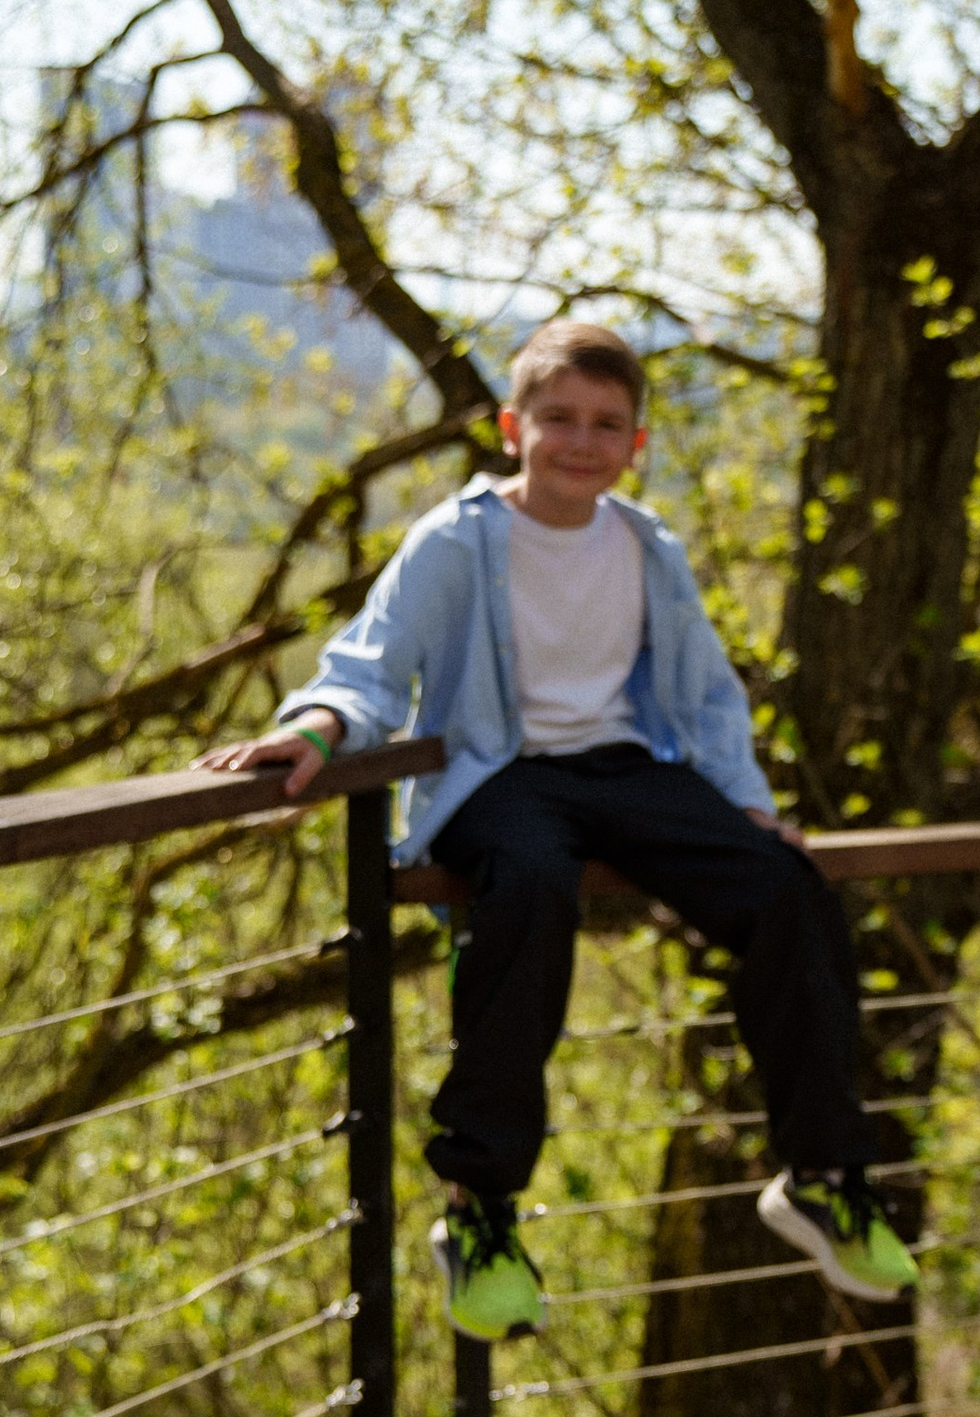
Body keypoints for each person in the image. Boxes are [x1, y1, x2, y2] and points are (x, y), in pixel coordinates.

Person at [200, 316, 915, 1340]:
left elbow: (706, 696)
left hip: (622, 770)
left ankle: (821, 1177)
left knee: (786, 887)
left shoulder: (647, 546)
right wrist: (313, 730)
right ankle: (480, 1211)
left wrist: (747, 808)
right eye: (559, 418)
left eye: (606, 424)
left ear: (637, 444)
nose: (582, 441)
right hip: (501, 774)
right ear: (512, 428)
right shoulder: (456, 539)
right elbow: (370, 664)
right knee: (529, 891)